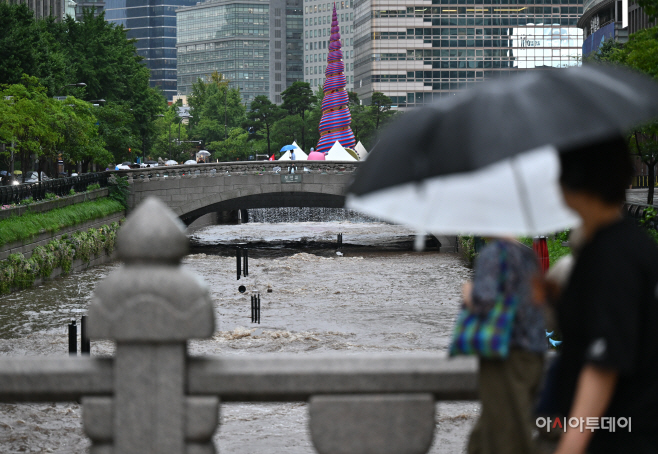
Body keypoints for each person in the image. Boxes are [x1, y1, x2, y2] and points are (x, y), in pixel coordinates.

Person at [552, 136, 658, 454]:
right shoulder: (633, 244)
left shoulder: (609, 256)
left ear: (574, 179)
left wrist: (571, 444)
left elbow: (604, 363)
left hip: (618, 437)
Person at [462, 237, 546, 454]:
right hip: (533, 354)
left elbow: (485, 303)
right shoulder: (527, 254)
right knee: (492, 432)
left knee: (506, 435)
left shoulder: (492, 254)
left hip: (505, 354)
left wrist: (468, 294)